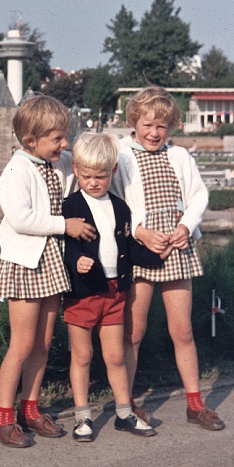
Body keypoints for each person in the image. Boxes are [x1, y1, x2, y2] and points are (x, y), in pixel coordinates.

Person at [111, 86, 225, 431]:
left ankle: (195, 403)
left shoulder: (180, 156)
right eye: (147, 125)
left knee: (182, 330)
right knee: (134, 331)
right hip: (142, 248)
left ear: (170, 127)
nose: (154, 133)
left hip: (176, 246)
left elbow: (198, 196)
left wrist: (186, 227)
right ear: (134, 122)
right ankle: (126, 403)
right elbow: (115, 202)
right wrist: (140, 231)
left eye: (161, 127)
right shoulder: (122, 155)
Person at [0, 95, 97, 448]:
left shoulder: (59, 161)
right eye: (57, 138)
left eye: (65, 137)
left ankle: (29, 409)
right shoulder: (16, 171)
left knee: (43, 343)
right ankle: (2, 418)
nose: (65, 144)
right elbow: (21, 219)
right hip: (24, 262)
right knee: (21, 344)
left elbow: (85, 162)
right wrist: (65, 226)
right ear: (31, 140)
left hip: (51, 261)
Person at [62, 132, 167, 442]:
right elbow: (64, 246)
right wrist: (76, 261)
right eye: (88, 176)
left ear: (113, 172)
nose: (94, 182)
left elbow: (128, 247)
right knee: (82, 355)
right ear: (77, 170)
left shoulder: (121, 207)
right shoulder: (71, 206)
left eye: (101, 176)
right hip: (83, 292)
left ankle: (124, 412)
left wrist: (156, 255)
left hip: (115, 290)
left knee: (116, 355)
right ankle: (83, 417)